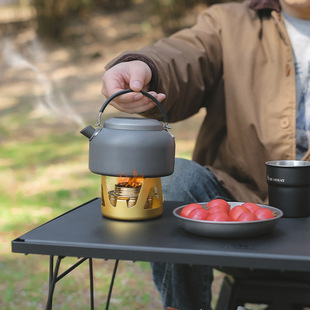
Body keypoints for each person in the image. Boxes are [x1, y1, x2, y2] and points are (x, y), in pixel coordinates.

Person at [101, 0, 310, 309]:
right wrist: (146, 69)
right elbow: (182, 56)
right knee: (179, 182)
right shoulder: (229, 21)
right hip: (238, 210)